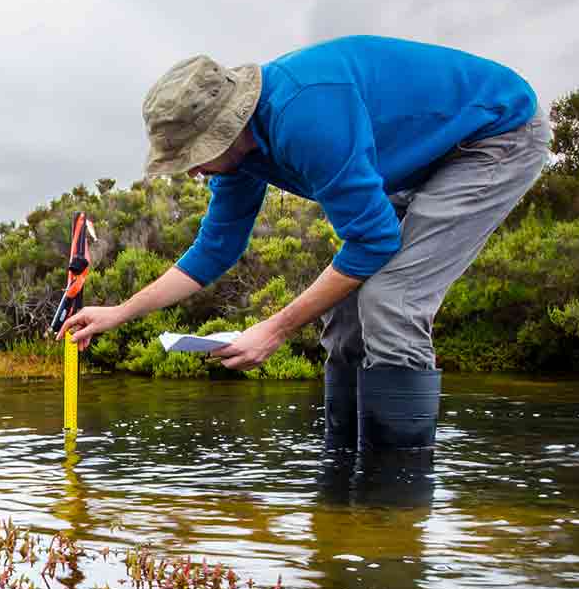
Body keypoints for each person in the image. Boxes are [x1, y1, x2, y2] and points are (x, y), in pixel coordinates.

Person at [58, 36, 549, 451]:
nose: (192, 168)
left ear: (229, 127)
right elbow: (215, 249)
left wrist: (274, 330)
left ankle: (393, 505)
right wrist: (120, 312)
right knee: (346, 311)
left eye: (196, 154)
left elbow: (373, 242)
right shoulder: (241, 157)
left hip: (493, 137)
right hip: (420, 159)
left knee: (390, 300)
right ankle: (341, 486)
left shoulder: (307, 117)